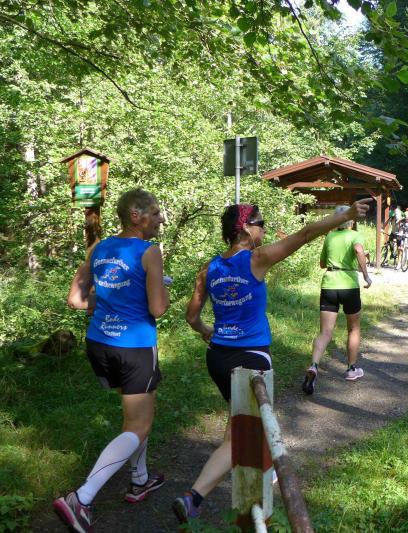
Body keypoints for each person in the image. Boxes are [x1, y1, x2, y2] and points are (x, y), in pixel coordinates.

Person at [174, 198, 371, 525]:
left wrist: (209, 332)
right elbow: (305, 234)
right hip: (250, 359)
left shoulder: (209, 268)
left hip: (218, 358)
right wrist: (346, 215)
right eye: (261, 224)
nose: (264, 230)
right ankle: (199, 497)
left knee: (237, 430)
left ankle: (221, 490)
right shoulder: (257, 259)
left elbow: (191, 317)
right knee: (242, 436)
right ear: (245, 229)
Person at [54, 188, 169, 533]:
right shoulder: (150, 251)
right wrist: (162, 286)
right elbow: (157, 309)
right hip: (134, 346)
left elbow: (76, 300)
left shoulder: (99, 248)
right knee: (139, 425)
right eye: (155, 212)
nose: (160, 219)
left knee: (135, 416)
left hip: (100, 343)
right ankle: (82, 497)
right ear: (136, 215)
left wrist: (110, 302)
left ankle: (140, 480)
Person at [302, 206, 372, 395]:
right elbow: (358, 249)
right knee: (353, 328)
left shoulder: (330, 236)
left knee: (325, 332)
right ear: (351, 220)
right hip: (349, 285)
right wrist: (366, 275)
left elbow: (322, 263)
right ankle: (351, 369)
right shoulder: (355, 235)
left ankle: (314, 366)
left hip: (329, 284)